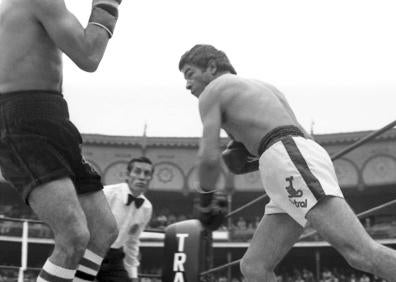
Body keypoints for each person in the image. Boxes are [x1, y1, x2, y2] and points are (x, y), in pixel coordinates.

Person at [178, 44, 396, 281]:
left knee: (360, 254)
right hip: (292, 156)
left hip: (286, 158)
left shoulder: (213, 91)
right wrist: (256, 154)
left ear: (211, 66)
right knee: (254, 266)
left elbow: (208, 157)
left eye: (190, 74)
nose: (187, 85)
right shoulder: (264, 89)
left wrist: (207, 199)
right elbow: (300, 138)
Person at [0, 0, 124, 281]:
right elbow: (89, 55)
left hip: (51, 113)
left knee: (102, 230)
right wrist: (107, 4)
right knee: (74, 235)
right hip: (24, 119)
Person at [97, 156, 154, 282]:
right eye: (137, 171)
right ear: (128, 175)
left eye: (147, 173)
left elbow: (132, 242)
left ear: (150, 179)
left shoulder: (146, 207)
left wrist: (133, 275)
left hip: (115, 257)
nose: (142, 177)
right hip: (91, 251)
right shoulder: (107, 193)